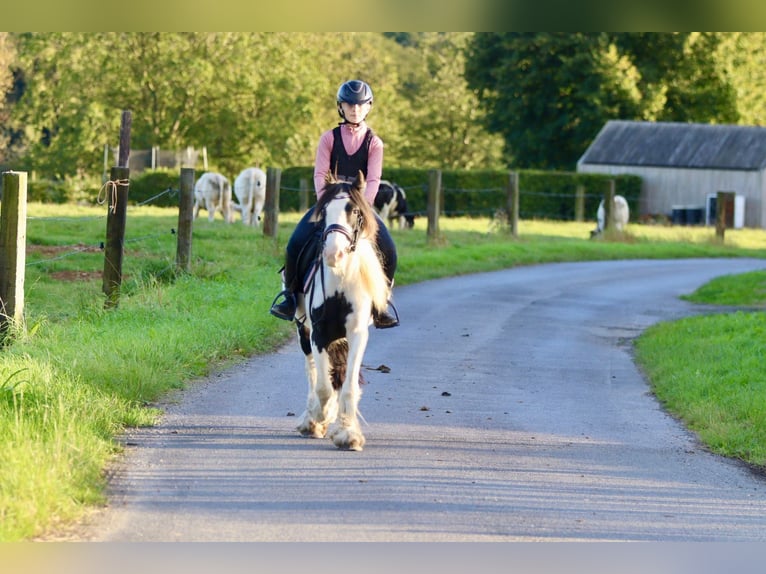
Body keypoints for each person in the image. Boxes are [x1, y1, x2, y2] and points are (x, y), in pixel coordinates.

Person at [270, 79, 399, 328]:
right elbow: (320, 175)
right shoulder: (328, 138)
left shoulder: (374, 143)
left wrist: (361, 208)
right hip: (329, 204)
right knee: (296, 241)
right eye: (349, 104)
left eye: (360, 105)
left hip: (360, 208)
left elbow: (373, 179)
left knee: (389, 249)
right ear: (341, 107)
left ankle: (381, 305)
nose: (355, 109)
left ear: (369, 107)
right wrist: (328, 203)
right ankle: (289, 297)